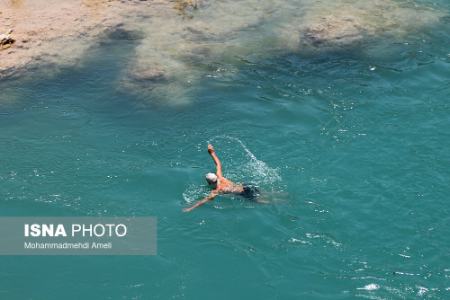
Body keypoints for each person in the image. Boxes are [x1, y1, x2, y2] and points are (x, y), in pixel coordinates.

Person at [183, 144, 260, 212]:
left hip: (245, 193)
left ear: (209, 183)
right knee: (265, 194)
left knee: (264, 201)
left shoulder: (217, 190)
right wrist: (212, 153)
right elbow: (218, 164)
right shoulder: (220, 177)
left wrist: (191, 208)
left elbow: (204, 201)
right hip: (246, 185)